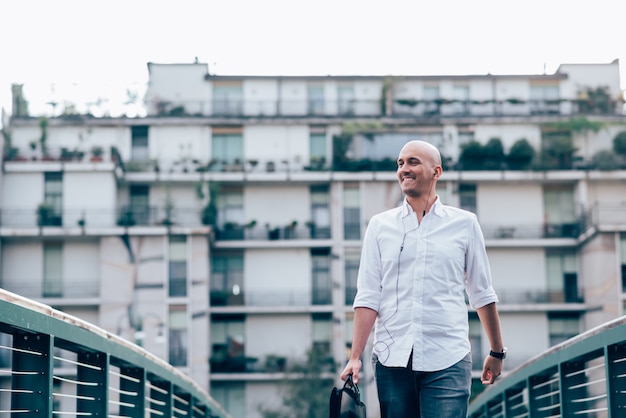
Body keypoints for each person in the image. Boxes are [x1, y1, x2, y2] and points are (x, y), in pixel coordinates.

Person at [340, 140, 505, 418]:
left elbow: (482, 293)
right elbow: (368, 296)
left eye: (413, 162)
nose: (404, 168)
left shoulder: (464, 224)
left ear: (436, 171)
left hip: (448, 358)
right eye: (400, 163)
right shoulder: (380, 226)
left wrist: (497, 352)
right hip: (392, 361)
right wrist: (355, 357)